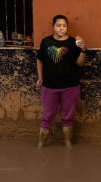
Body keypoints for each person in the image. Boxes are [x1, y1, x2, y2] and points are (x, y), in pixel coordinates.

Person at [36, 14, 87, 148]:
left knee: (68, 117)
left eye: (64, 26)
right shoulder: (45, 42)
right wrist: (40, 77)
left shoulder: (73, 42)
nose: (61, 28)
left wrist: (83, 49)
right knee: (47, 117)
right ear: (53, 27)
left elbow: (80, 63)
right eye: (58, 25)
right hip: (49, 86)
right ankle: (40, 146)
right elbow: (39, 60)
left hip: (70, 86)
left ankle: (68, 144)